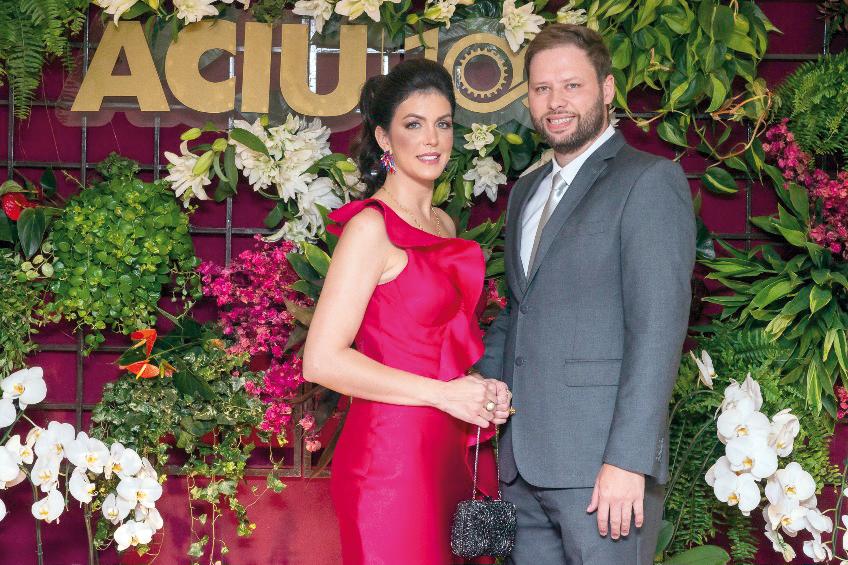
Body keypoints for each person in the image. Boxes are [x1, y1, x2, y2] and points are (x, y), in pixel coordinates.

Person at [472, 23, 696, 565]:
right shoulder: (526, 190)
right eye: (542, 89)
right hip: (523, 465)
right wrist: (482, 381)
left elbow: (658, 330)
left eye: (572, 86)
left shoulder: (648, 182)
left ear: (608, 89)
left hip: (603, 473)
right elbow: (522, 310)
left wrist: (628, 461)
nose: (555, 103)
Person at [302, 58, 513, 565]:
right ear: (383, 137)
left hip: (447, 448)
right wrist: (444, 394)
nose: (432, 139)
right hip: (390, 462)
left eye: (443, 124)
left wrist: (481, 392)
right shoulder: (370, 229)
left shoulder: (442, 223)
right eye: (413, 125)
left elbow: (440, 344)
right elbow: (322, 362)